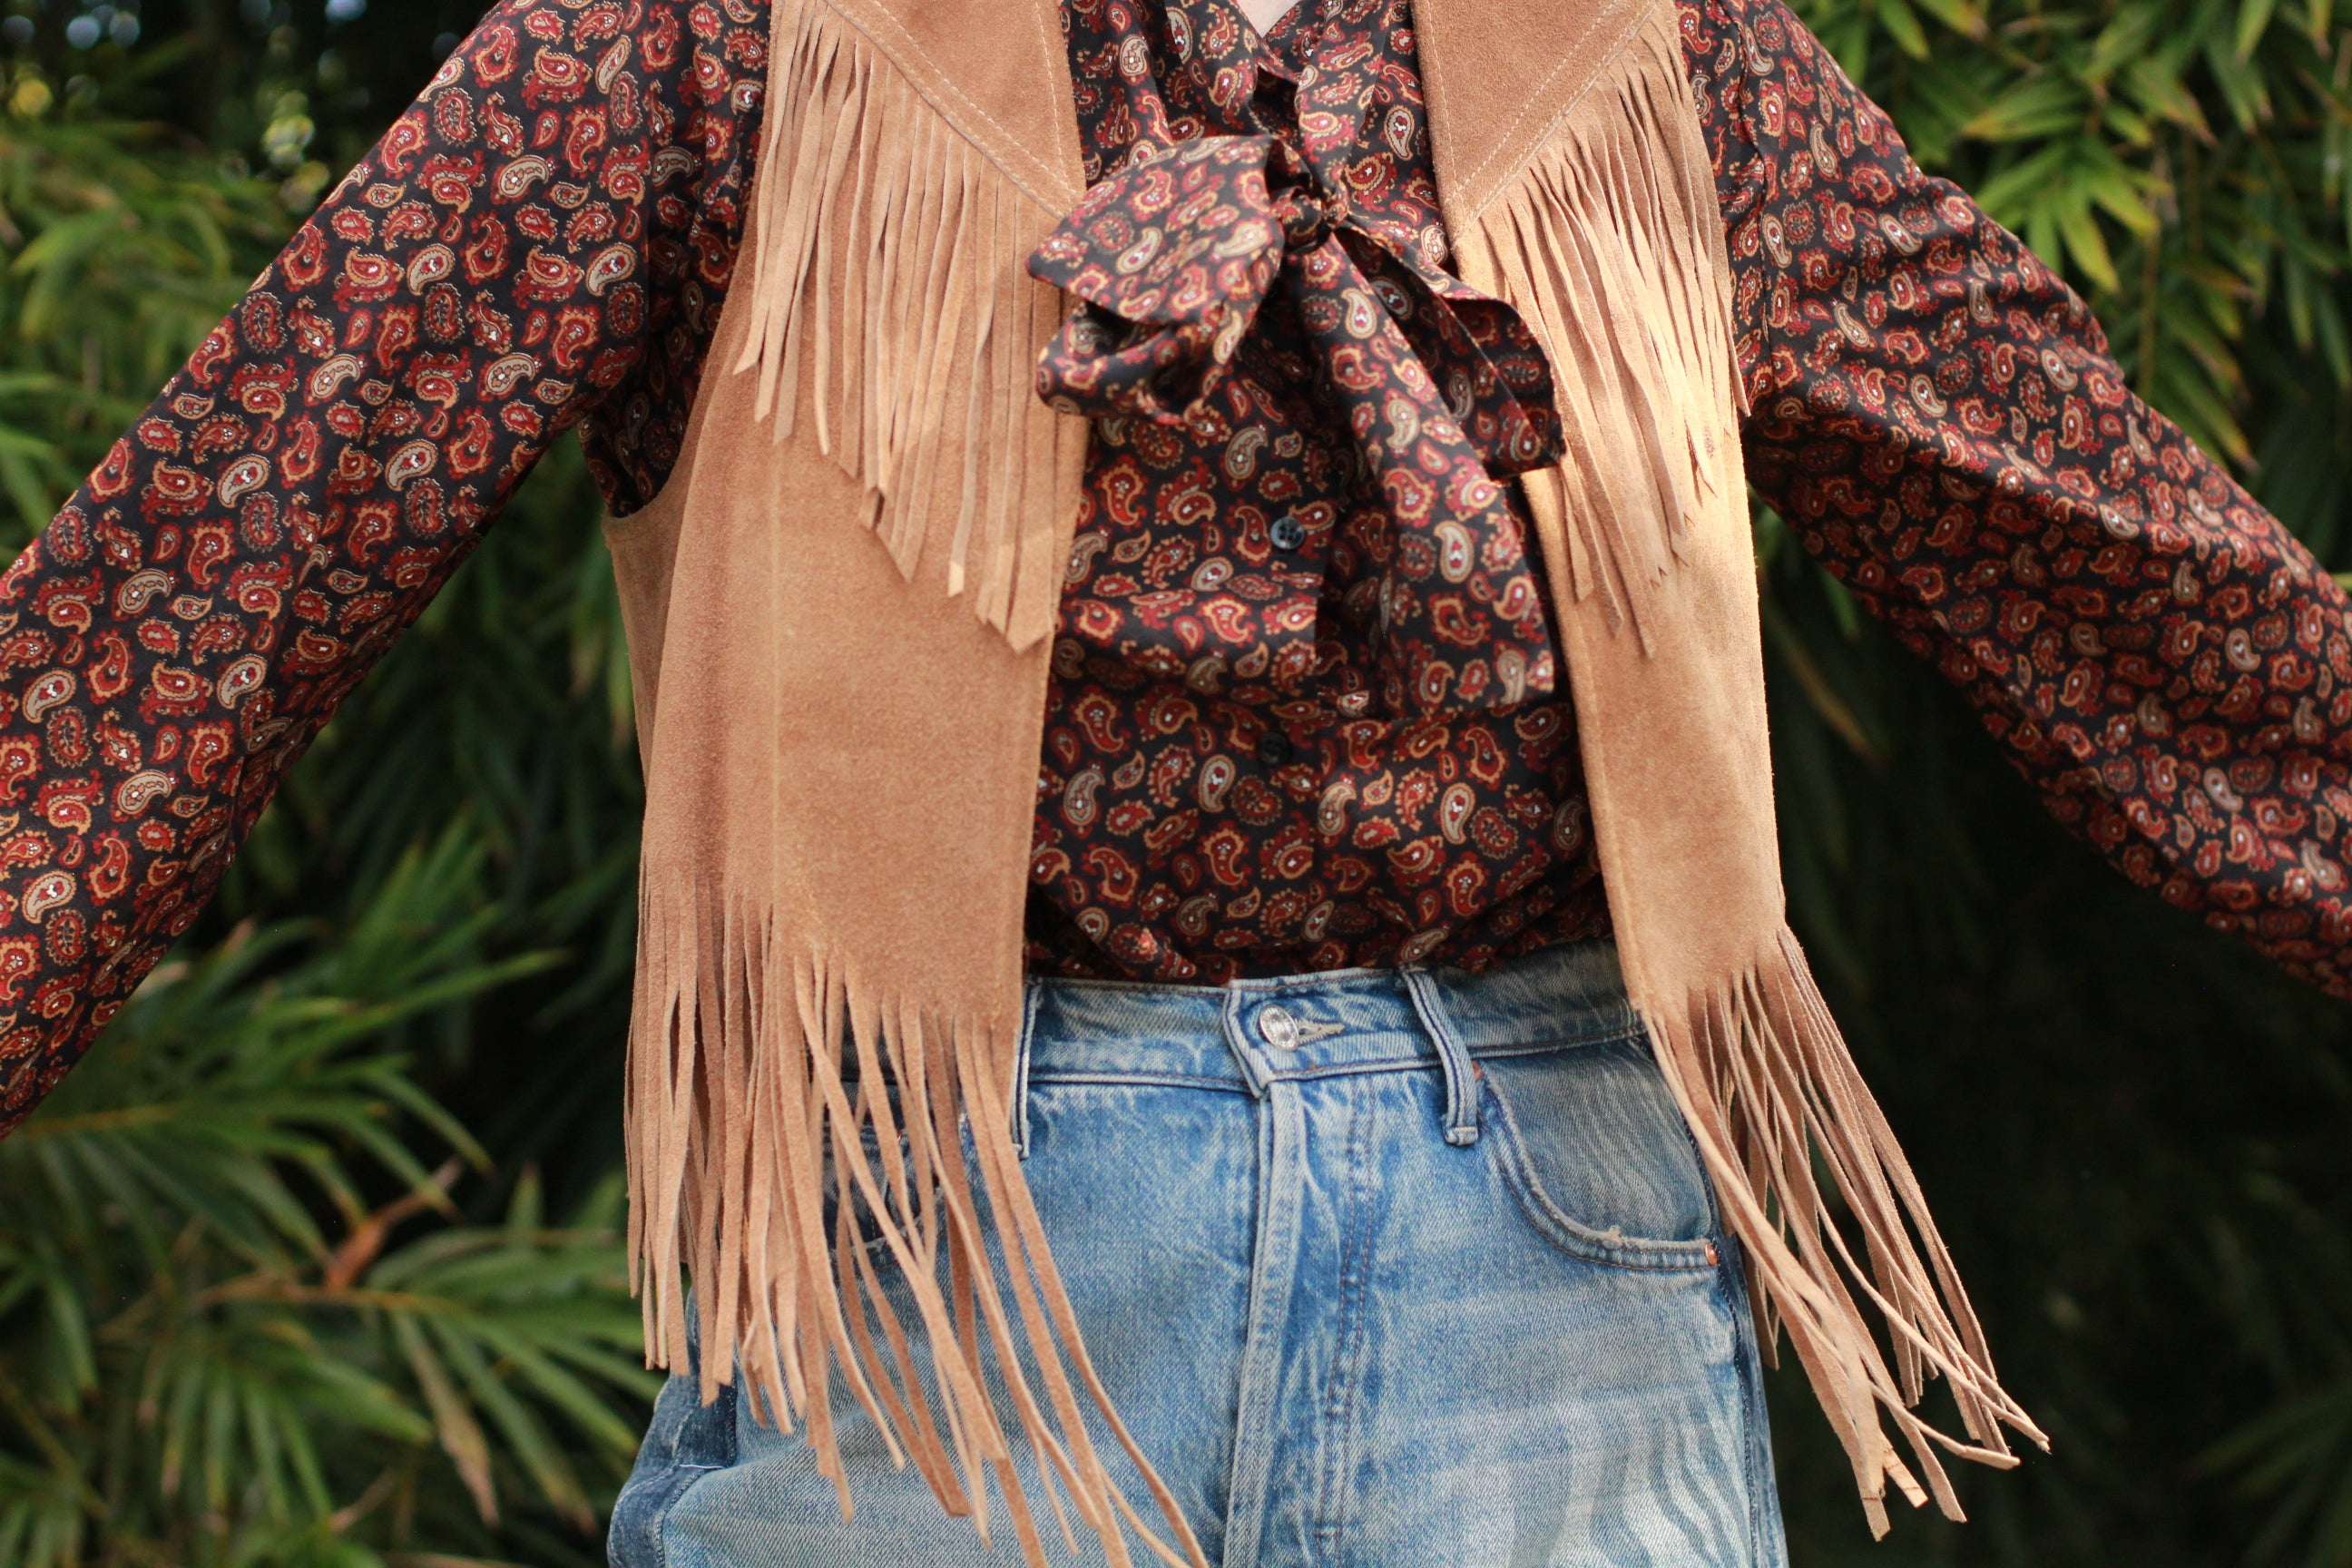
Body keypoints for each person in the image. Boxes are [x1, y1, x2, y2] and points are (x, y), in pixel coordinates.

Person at [0, 0, 2346, 1562]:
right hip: (934, 1252)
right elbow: (235, 546)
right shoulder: (717, 38)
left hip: (1552, 1254)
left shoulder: (1644, 52)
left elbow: (2099, 544)